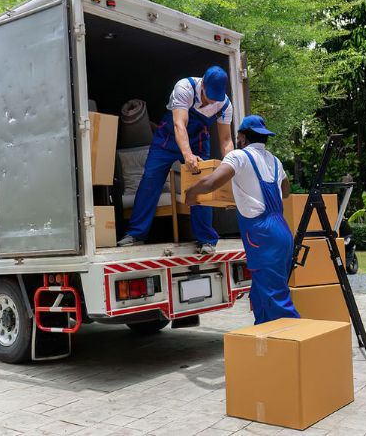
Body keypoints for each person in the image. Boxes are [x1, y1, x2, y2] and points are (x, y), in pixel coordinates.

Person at [183, 115, 299, 324]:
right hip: (282, 230)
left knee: (275, 300)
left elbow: (211, 182)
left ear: (243, 137)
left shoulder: (239, 157)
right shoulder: (275, 161)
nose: (237, 140)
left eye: (238, 137)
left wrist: (191, 192)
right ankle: (266, 344)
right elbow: (286, 191)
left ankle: (293, 345)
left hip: (262, 233)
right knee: (262, 293)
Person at [117, 66, 234, 254]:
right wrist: (187, 156)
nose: (211, 101)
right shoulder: (184, 87)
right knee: (150, 181)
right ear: (202, 84)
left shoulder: (225, 105)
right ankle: (136, 234)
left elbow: (226, 140)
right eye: (208, 95)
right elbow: (180, 124)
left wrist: (231, 165)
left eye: (215, 98)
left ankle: (206, 240)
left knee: (202, 186)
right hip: (168, 139)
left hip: (198, 143)